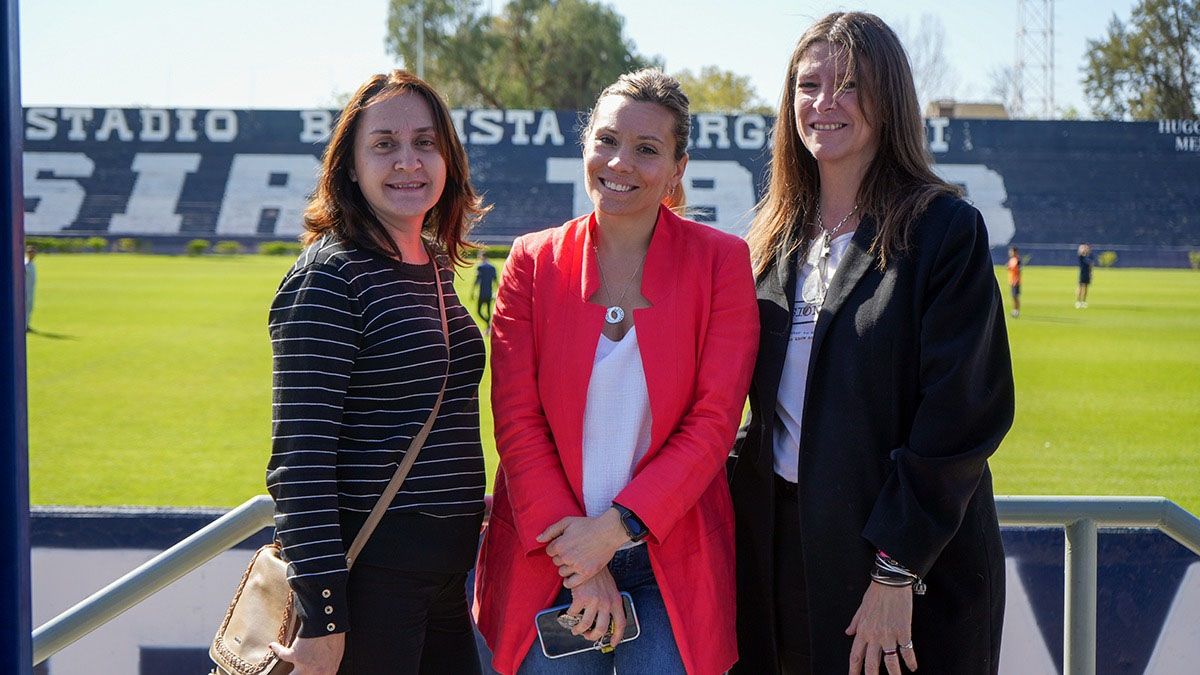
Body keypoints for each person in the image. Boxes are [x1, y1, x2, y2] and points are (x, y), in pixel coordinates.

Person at [729, 12, 1014, 675]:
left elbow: (962, 417)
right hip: (782, 559)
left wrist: (896, 568)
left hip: (905, 572)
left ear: (889, 100)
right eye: (808, 85)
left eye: (850, 84)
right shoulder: (771, 242)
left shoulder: (943, 230)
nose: (824, 103)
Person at [473, 68, 759, 675]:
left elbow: (713, 424)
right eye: (606, 140)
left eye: (647, 149)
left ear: (678, 169)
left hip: (671, 559)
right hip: (548, 555)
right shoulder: (531, 262)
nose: (620, 162)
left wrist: (614, 530)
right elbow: (517, 423)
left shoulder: (722, 263)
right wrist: (581, 561)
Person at [264, 70, 491, 675]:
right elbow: (299, 463)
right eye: (384, 144)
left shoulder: (431, 262)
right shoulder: (330, 277)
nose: (407, 161)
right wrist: (324, 617)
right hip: (370, 582)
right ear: (350, 166)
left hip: (444, 573)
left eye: (425, 143)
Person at [472, 250, 497, 327]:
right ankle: (489, 325)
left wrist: (472, 292)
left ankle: (488, 324)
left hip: (482, 293)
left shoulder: (480, 267)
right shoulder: (492, 267)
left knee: (479, 311)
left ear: (482, 257)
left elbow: (477, 280)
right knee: (488, 311)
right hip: (489, 292)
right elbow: (495, 281)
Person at [24, 244, 36, 332]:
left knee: (30, 307)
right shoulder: (24, 264)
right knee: (25, 308)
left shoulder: (32, 263)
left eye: (33, 252)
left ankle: (27, 324)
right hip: (25, 290)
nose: (32, 254)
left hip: (31, 289)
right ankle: (23, 326)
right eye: (30, 252)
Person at [1076, 243, 1093, 308]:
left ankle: (1083, 302)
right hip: (1082, 273)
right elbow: (1080, 252)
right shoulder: (1081, 256)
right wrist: (1083, 248)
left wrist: (1091, 274)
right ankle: (1078, 302)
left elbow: (1091, 265)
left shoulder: (1089, 256)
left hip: (1087, 274)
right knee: (1080, 287)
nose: (1086, 249)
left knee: (1086, 288)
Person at [1008, 246, 1021, 318]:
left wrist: (1016, 280)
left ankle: (1017, 310)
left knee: (1016, 296)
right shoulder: (1011, 260)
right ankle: (1014, 310)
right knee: (1013, 296)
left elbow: (1018, 272)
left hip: (1016, 281)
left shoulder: (1017, 260)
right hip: (1011, 281)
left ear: (1015, 252)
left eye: (1011, 251)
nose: (1010, 253)